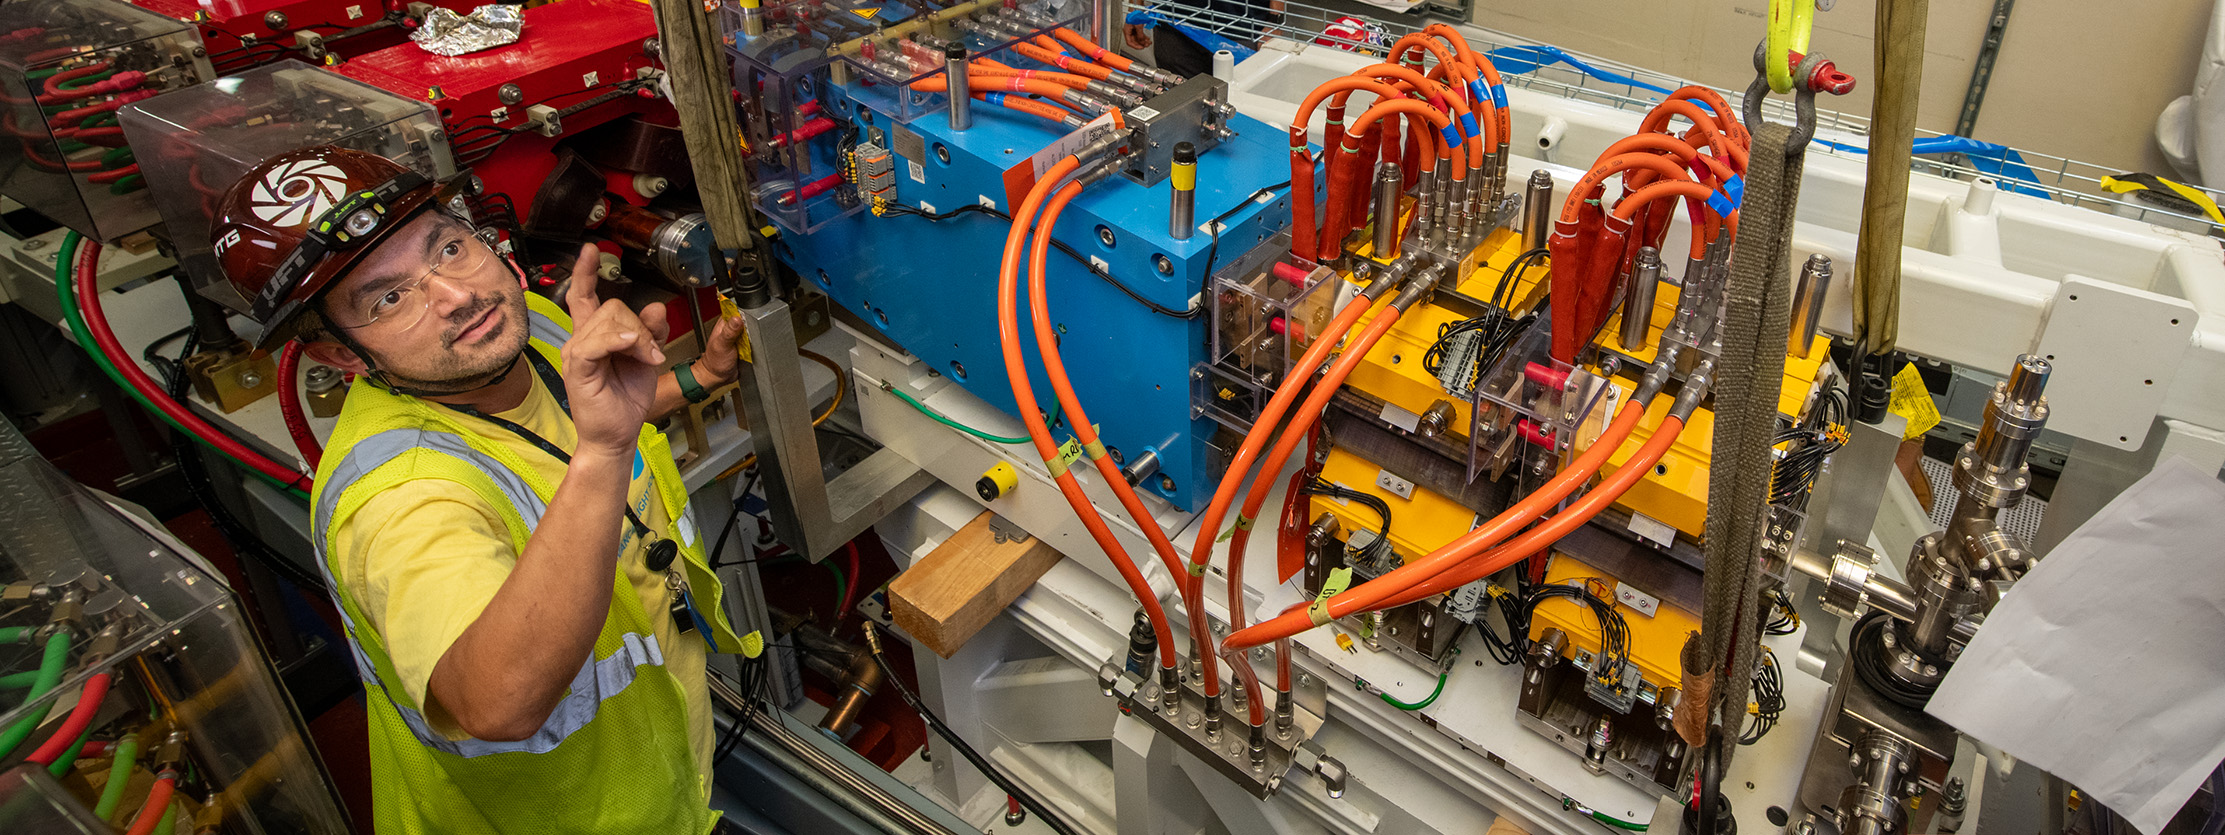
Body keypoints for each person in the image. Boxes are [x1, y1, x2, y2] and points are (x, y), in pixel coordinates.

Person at [210, 145, 757, 833]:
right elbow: (497, 701)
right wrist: (604, 451)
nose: (456, 294)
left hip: (660, 779)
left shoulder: (520, 318)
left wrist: (695, 381)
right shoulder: (404, 498)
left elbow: (571, 416)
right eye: (388, 297)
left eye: (445, 249)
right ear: (342, 354)